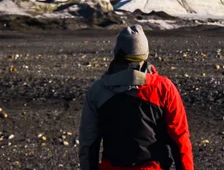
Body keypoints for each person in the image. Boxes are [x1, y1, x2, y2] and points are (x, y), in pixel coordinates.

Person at [79, 25, 194, 170]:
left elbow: (88, 144)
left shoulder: (98, 90)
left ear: (117, 53)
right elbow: (180, 139)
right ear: (145, 55)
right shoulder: (164, 88)